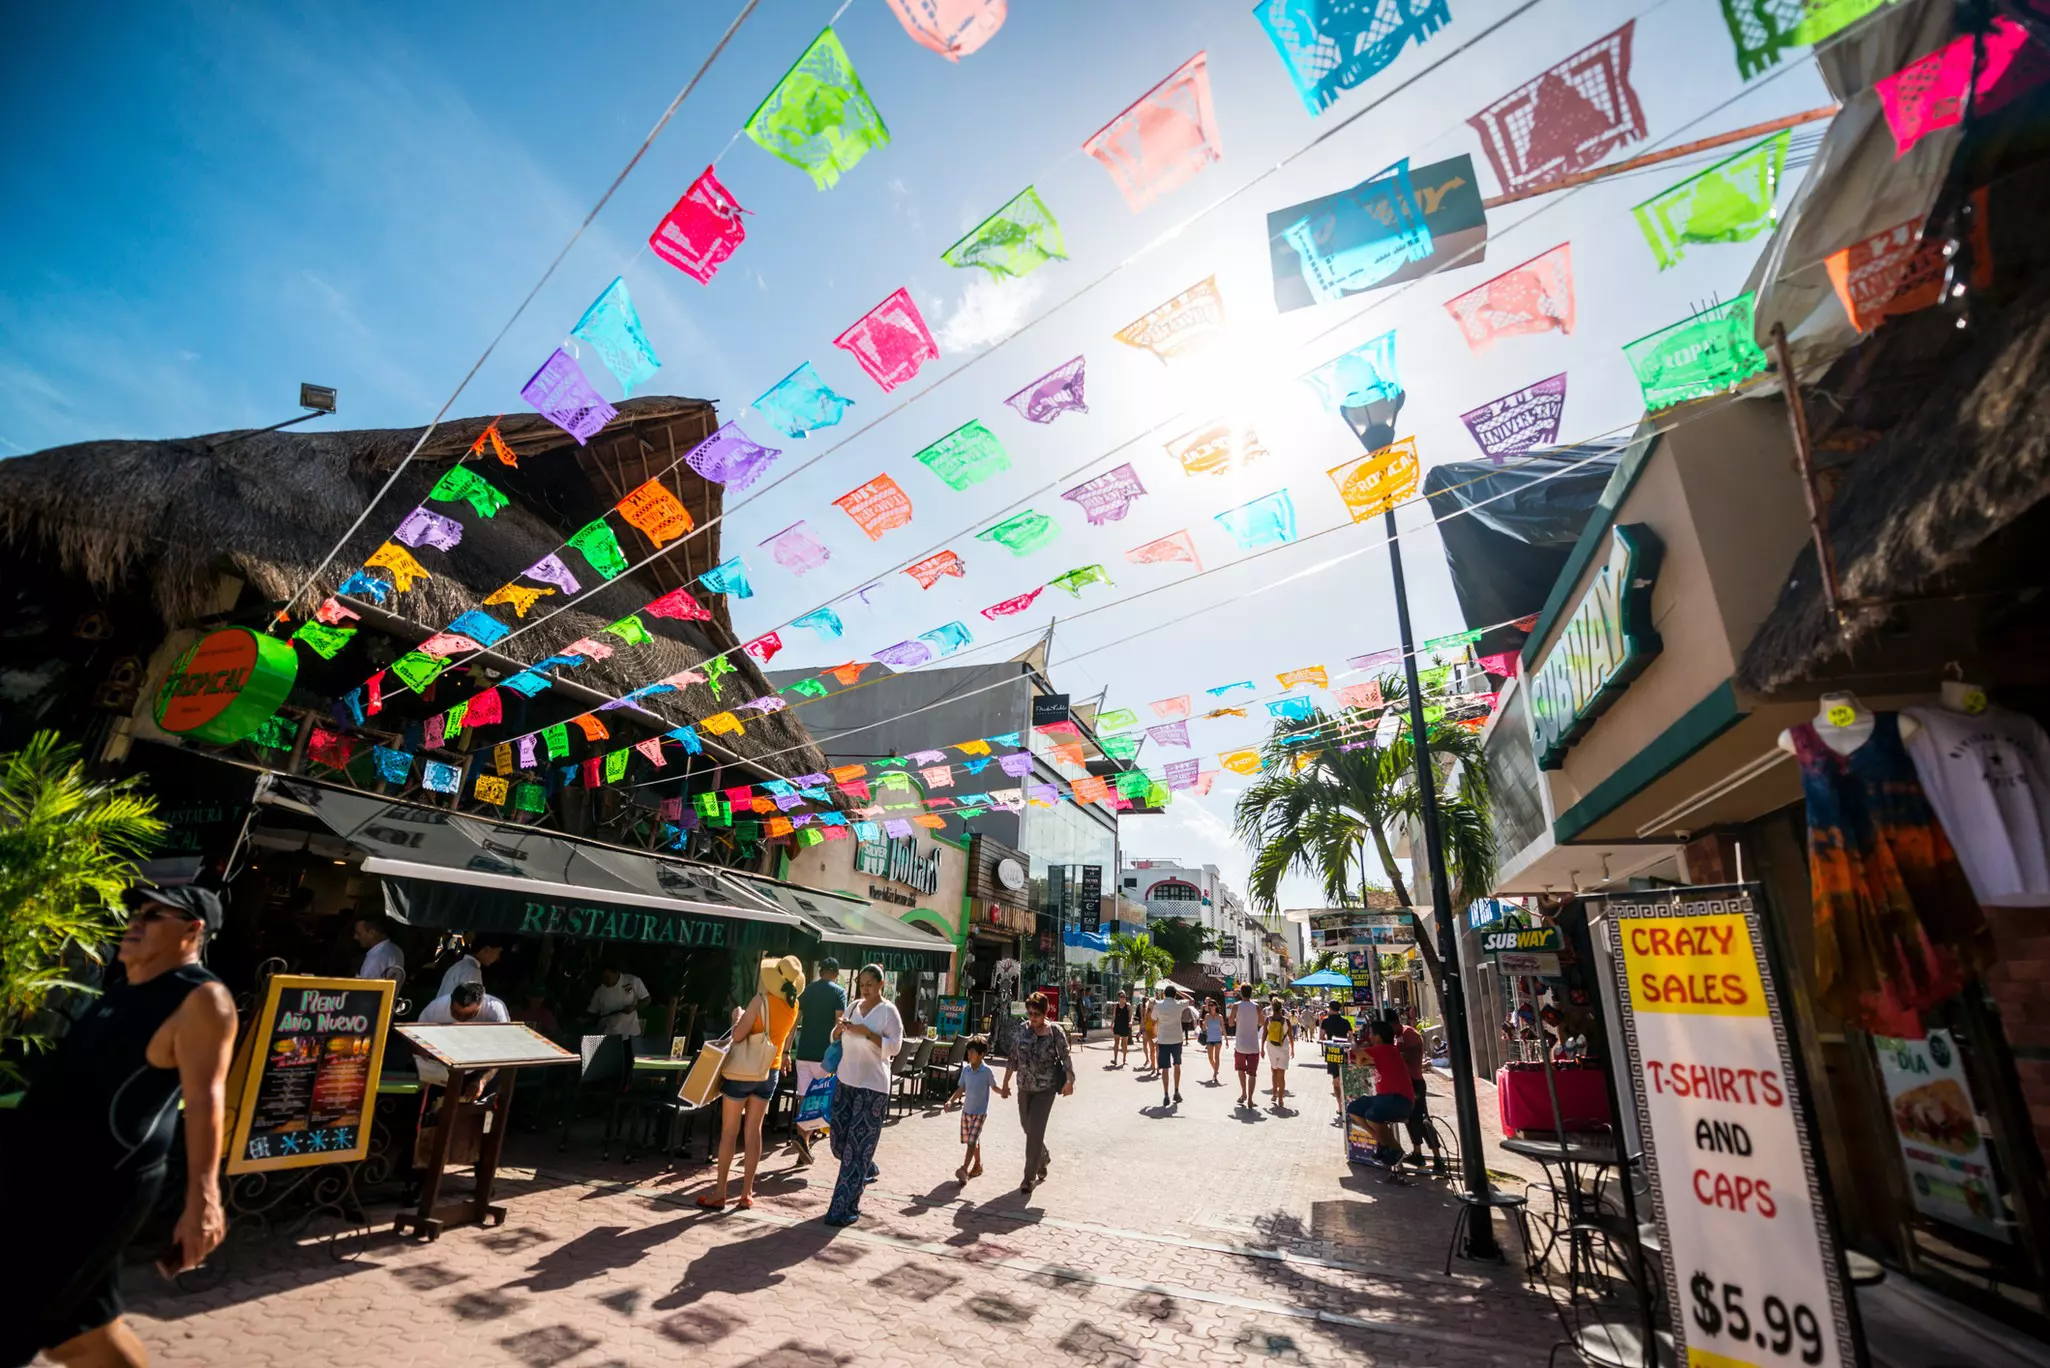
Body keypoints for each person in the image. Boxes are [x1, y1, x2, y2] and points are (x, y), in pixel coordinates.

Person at [0, 886, 235, 1368]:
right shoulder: (124, 990)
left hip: (92, 1189)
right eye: (136, 912)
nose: (136, 921)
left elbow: (207, 1099)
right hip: (38, 1176)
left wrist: (203, 1202)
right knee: (81, 1336)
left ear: (193, 931)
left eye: (154, 915)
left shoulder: (201, 998)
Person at [700, 956, 804, 1211]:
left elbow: (738, 1035)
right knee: (753, 1131)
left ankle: (720, 1192)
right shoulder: (793, 1006)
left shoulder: (760, 1001)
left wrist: (738, 1016)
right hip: (770, 1070)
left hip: (743, 1071)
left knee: (729, 1132)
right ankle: (747, 1192)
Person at [824, 964, 903, 1227]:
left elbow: (894, 1047)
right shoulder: (853, 1006)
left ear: (881, 985)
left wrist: (866, 1033)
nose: (865, 988)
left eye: (870, 984)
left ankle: (842, 1208)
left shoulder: (888, 1011)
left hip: (873, 1087)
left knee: (854, 1153)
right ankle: (866, 1166)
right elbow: (834, 1038)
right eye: (862, 983)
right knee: (838, 1143)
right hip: (846, 1081)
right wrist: (839, 1029)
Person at [998, 992, 1074, 1198]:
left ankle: (1028, 1178)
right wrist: (1005, 1083)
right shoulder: (1022, 1030)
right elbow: (1013, 1058)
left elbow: (1066, 1057)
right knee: (1027, 1127)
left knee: (1035, 1132)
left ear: (1045, 1012)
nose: (1032, 1018)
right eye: (1030, 1013)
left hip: (1045, 1089)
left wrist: (1069, 1080)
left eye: (1036, 1014)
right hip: (1024, 1087)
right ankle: (1043, 1157)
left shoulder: (1055, 1032)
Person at [1345, 1018, 1415, 1185]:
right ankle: (1382, 1143)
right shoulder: (1381, 1051)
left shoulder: (1384, 1049)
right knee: (1354, 1109)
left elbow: (1355, 1053)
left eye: (1371, 1034)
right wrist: (1363, 1057)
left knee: (1372, 1115)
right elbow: (1358, 1060)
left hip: (1399, 1099)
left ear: (1379, 1037)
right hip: (1384, 1097)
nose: (1369, 1037)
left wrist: (1352, 1040)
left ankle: (1395, 1149)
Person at [790, 957, 846, 1164]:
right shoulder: (839, 992)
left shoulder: (807, 991)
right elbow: (838, 1024)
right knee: (820, 1099)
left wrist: (788, 1049)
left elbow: (795, 1022)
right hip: (825, 1056)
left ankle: (802, 1144)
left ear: (820, 970)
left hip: (803, 1052)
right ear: (835, 973)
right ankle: (804, 1141)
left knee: (804, 1098)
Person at [1387, 1008, 1446, 1175]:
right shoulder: (1395, 1036)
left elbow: (1411, 1054)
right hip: (1405, 1084)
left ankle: (1438, 1157)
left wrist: (1393, 1053)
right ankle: (1417, 1153)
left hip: (1415, 1082)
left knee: (1423, 1119)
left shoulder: (1409, 1033)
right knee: (1410, 1119)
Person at [944, 1035, 1002, 1183]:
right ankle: (977, 1165)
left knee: (972, 1141)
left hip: (980, 1113)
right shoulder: (966, 1070)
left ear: (981, 1055)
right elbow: (961, 1088)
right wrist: (950, 1101)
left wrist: (1003, 1091)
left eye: (972, 1053)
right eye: (968, 1052)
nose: (969, 1056)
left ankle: (964, 1169)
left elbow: (994, 1086)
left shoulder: (987, 1071)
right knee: (972, 1139)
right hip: (966, 1111)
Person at [1147, 985, 1197, 1107]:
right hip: (1176, 1039)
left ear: (1164, 994)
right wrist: (1180, 992)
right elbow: (1191, 1000)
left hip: (1163, 1040)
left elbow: (1152, 1019)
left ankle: (1165, 1094)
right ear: (1175, 994)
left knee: (1165, 1068)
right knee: (1177, 1065)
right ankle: (1176, 1091)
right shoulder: (1178, 1004)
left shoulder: (1159, 1005)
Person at [586, 962, 652, 1037]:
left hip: (631, 1034)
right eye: (603, 978)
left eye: (608, 977)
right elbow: (592, 1012)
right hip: (609, 1036)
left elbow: (647, 999)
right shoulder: (599, 991)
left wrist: (634, 1007)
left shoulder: (632, 981)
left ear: (617, 973)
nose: (605, 980)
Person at [1228, 983, 1264, 1110]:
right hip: (1253, 1045)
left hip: (1240, 1045)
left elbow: (1230, 1023)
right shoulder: (1257, 1007)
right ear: (1251, 993)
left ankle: (1243, 1093)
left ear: (1241, 993)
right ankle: (1250, 1099)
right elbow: (1262, 1022)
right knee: (1252, 1074)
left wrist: (1239, 1020)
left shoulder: (1236, 1006)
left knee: (1241, 1070)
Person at [435, 937, 503, 1001]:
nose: (497, 958)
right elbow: (470, 1003)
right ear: (486, 949)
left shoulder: (458, 966)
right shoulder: (472, 970)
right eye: (497, 952)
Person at [417, 980, 510, 1024]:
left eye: (469, 1015)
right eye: (455, 1013)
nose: (461, 1019)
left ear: (481, 1004)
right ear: (451, 1000)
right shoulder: (436, 1007)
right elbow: (418, 1033)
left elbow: (502, 1039)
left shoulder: (495, 1009)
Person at [351, 911, 405, 985]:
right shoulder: (397, 950)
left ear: (372, 933)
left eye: (359, 933)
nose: (355, 937)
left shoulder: (375, 958)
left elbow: (362, 987)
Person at [1318, 1001, 1354, 1108]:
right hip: (1344, 1051)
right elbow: (1351, 1037)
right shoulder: (1345, 1021)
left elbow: (1321, 1037)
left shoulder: (1326, 1021)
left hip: (1332, 1051)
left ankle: (1340, 1106)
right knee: (1345, 1076)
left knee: (1336, 1079)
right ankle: (1347, 1102)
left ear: (1330, 1009)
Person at [1263, 996, 1295, 1108]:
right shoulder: (1286, 1021)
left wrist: (1262, 1048)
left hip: (1271, 1047)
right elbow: (1291, 1037)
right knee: (1282, 1075)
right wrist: (1293, 1050)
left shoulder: (1268, 1019)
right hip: (1283, 1047)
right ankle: (1281, 1099)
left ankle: (1274, 1094)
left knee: (1274, 1071)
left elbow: (1264, 1035)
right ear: (1281, 1008)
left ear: (1272, 1007)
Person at [1200, 996, 1226, 1084]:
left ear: (1215, 1006)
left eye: (1212, 1005)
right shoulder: (1207, 1016)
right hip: (1209, 1038)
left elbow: (1223, 1028)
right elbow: (1204, 1029)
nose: (1210, 1006)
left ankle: (1215, 1074)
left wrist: (1226, 1039)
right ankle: (1216, 1069)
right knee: (1210, 1057)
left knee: (1217, 1057)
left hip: (1218, 1039)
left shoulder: (1220, 1016)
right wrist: (1203, 1024)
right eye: (1209, 1005)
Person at [1109, 992, 1133, 1068]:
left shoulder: (1128, 1005)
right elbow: (1114, 1016)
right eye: (1121, 996)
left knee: (1124, 1044)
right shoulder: (1116, 1005)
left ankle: (1124, 1059)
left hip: (1125, 1026)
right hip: (1118, 1026)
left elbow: (1131, 1016)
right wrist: (1111, 1024)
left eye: (1124, 996)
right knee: (1116, 1042)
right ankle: (1115, 1059)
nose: (1123, 998)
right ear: (1119, 997)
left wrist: (1131, 1021)